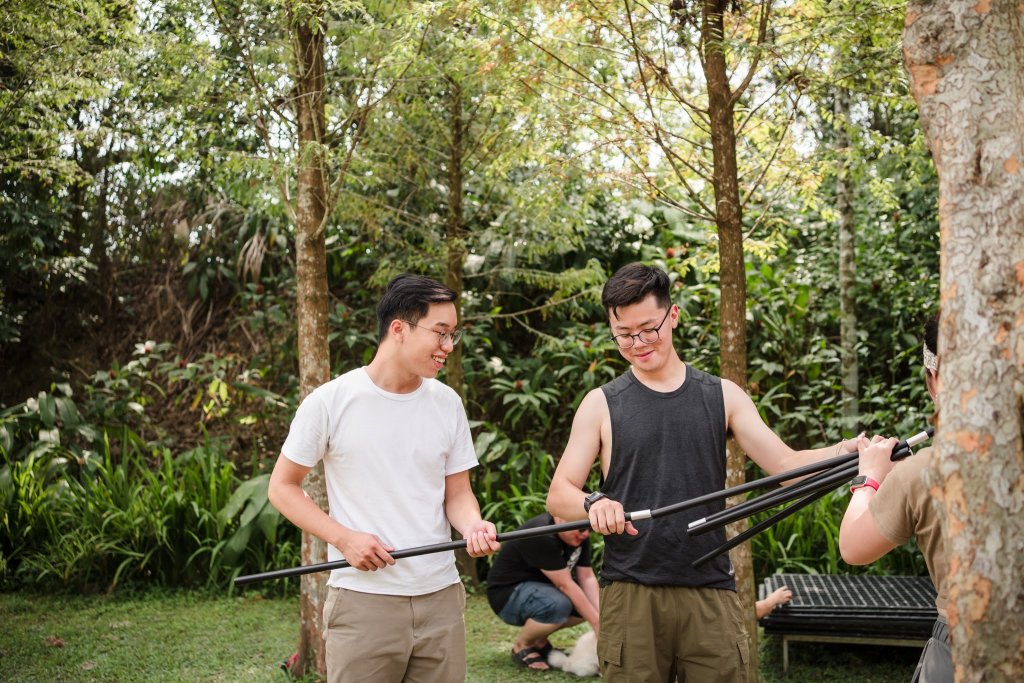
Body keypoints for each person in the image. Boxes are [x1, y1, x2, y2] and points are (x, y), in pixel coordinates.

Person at [546, 262, 859, 683]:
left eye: (648, 329)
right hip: (632, 590)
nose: (637, 343)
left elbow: (785, 466)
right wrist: (593, 501)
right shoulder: (601, 403)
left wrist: (851, 451)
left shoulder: (722, 395)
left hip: (709, 586)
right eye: (624, 334)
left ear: (672, 316)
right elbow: (559, 495)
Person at [267, 274, 500, 683]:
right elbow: (282, 487)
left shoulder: (447, 404)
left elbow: (458, 494)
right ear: (399, 329)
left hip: (440, 598)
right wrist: (344, 538)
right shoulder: (330, 402)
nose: (448, 346)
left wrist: (473, 525)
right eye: (440, 333)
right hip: (363, 600)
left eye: (453, 335)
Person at [839, 313, 951, 682]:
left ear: (934, 380)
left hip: (962, 651)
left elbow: (853, 547)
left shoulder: (924, 471)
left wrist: (868, 478)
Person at [485, 513, 601, 671]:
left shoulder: (579, 538)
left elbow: (586, 578)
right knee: (558, 605)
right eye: (581, 528)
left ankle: (539, 640)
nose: (586, 533)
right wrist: (597, 624)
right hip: (507, 596)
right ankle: (522, 645)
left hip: (541, 592)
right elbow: (565, 585)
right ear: (561, 518)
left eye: (589, 528)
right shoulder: (542, 533)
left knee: (586, 607)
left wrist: (601, 618)